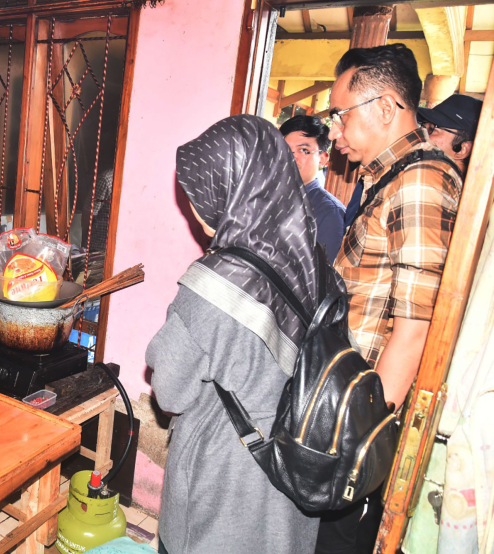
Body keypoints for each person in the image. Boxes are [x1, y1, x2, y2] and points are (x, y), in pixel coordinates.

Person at [147, 115, 346, 553]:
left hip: (223, 485)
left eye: (199, 189)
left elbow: (170, 392)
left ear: (229, 187)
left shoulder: (213, 283)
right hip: (295, 476)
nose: (193, 204)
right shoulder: (316, 265)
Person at [319, 44, 463, 554]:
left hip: (366, 419)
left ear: (385, 107)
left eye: (340, 113)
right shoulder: (389, 179)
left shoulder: (421, 180)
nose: (333, 129)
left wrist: (362, 446)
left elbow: (416, 327)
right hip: (349, 403)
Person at [280, 116, 345, 261]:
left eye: (303, 150)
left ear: (323, 158)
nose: (292, 157)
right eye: (285, 149)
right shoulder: (267, 198)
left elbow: (324, 276)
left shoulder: (330, 213)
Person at [418, 93, 482, 177]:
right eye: (422, 127)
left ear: (463, 150)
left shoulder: (434, 186)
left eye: (432, 129)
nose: (420, 134)